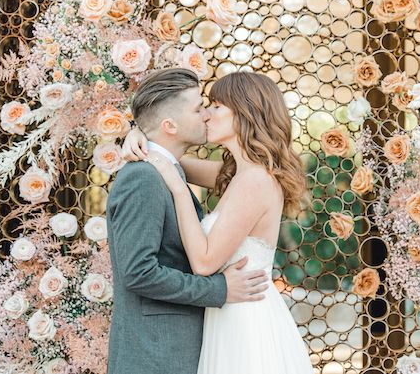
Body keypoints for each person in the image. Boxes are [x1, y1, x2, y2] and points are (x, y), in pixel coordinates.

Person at [122, 71, 314, 374]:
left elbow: (205, 263)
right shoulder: (239, 173)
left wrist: (177, 189)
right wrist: (138, 134)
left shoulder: (255, 180)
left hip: (244, 322)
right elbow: (168, 157)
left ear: (244, 113)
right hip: (226, 316)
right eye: (204, 106)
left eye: (215, 106)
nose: (206, 114)